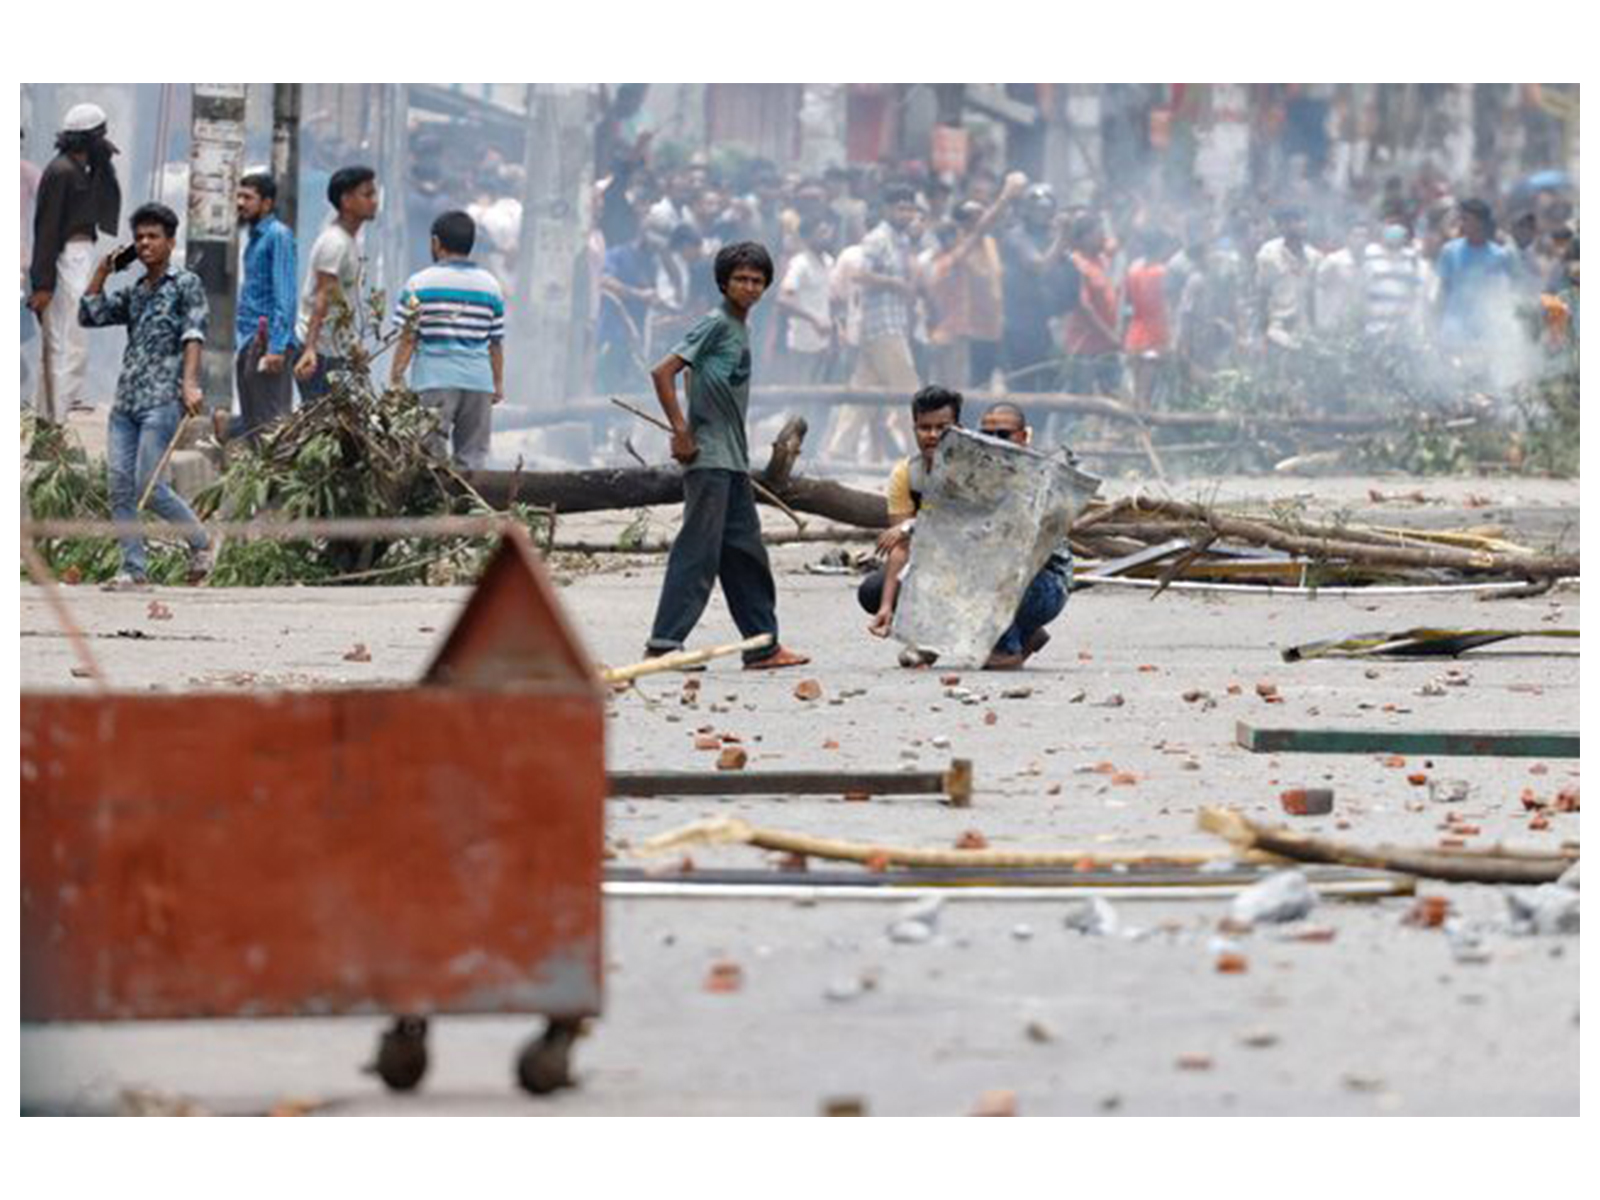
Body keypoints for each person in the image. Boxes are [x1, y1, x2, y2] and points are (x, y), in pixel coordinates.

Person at [643, 241, 810, 671]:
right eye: (741, 279)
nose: (749, 287)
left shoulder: (738, 327)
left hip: (732, 459)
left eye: (757, 280)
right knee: (698, 552)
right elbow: (663, 372)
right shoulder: (716, 323)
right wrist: (682, 431)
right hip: (710, 460)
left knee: (745, 554)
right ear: (723, 283)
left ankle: (762, 646)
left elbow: (697, 377)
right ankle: (664, 644)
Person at [858, 387, 1064, 669]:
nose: (932, 435)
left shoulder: (985, 469)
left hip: (1027, 576)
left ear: (959, 430)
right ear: (914, 428)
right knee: (876, 589)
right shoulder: (908, 474)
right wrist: (886, 606)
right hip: (958, 564)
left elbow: (989, 537)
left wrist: (912, 526)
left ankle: (1007, 643)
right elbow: (905, 549)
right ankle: (941, 637)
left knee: (972, 564)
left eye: (941, 428)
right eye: (925, 428)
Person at [77, 203, 214, 590]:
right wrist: (103, 270)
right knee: (119, 486)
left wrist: (190, 384)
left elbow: (193, 333)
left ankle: (201, 542)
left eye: (153, 236)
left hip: (162, 400)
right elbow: (90, 315)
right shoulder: (136, 292)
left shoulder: (185, 284)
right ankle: (133, 569)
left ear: (170, 241)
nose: (144, 244)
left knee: (148, 486)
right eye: (139, 238)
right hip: (125, 403)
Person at [28, 102, 123, 427]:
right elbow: (47, 228)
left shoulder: (81, 169)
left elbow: (104, 199)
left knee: (66, 343)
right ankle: (54, 419)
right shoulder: (61, 172)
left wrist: (103, 161)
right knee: (70, 343)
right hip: (66, 258)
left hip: (78, 256)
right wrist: (42, 284)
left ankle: (50, 417)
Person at [389, 211, 506, 471]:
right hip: (478, 383)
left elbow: (408, 338)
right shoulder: (491, 286)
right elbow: (495, 343)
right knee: (472, 461)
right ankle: (468, 496)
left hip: (434, 381)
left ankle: (437, 497)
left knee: (430, 462)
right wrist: (497, 383)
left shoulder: (419, 284)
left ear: (436, 242)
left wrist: (396, 377)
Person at [827, 184, 922, 461]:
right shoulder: (877, 238)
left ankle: (839, 450)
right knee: (907, 388)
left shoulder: (902, 240)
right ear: (888, 210)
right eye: (901, 208)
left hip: (892, 324)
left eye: (910, 209)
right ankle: (919, 450)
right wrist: (895, 283)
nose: (906, 214)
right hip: (882, 326)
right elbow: (859, 275)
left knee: (863, 390)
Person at [214, 171, 297, 448]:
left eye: (248, 198)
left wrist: (276, 348)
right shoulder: (255, 238)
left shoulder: (278, 235)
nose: (240, 203)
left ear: (267, 203)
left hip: (267, 343)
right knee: (255, 423)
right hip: (250, 340)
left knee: (270, 425)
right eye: (239, 196)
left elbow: (285, 296)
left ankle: (269, 473)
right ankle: (232, 432)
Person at [923, 173, 1026, 391]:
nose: (981, 219)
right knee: (960, 389)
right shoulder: (955, 253)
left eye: (982, 214)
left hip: (992, 328)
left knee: (989, 387)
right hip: (964, 332)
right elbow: (980, 231)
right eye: (974, 216)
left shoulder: (989, 243)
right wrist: (1006, 196)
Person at [294, 165, 379, 402]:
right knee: (319, 419)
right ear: (346, 201)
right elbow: (322, 297)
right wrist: (310, 349)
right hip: (319, 353)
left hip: (333, 351)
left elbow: (342, 303)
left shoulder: (349, 242)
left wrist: (353, 347)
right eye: (367, 194)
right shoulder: (335, 243)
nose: (374, 201)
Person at [1000, 183, 1076, 392]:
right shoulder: (1017, 236)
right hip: (1019, 324)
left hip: (1045, 322)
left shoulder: (1051, 237)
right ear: (1026, 210)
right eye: (1037, 209)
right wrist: (1062, 237)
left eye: (1046, 209)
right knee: (1022, 383)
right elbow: (1038, 266)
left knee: (1051, 381)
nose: (1041, 214)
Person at [1435, 198, 1516, 358]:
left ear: (1480, 223)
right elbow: (1442, 291)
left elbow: (1504, 295)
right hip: (1453, 332)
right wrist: (1435, 325)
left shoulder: (1500, 256)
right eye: (1461, 219)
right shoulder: (1450, 251)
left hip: (1485, 334)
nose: (1461, 224)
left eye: (1466, 219)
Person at [1061, 213, 1123, 397]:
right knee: (1082, 398)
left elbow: (1118, 241)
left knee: (1113, 395)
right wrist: (1110, 335)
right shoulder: (1076, 263)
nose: (1104, 237)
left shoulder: (1101, 258)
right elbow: (1084, 306)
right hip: (1085, 347)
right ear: (1084, 237)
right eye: (1099, 233)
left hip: (1107, 346)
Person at [775, 214, 838, 383]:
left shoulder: (829, 262)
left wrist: (837, 328)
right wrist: (813, 319)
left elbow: (829, 299)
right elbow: (783, 300)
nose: (827, 236)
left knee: (818, 389)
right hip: (801, 342)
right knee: (798, 390)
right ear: (807, 237)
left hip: (823, 341)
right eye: (821, 233)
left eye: (828, 232)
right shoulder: (800, 264)